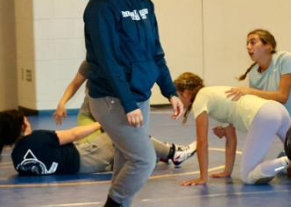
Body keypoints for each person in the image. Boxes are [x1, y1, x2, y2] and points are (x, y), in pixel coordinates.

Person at [84, 0, 184, 207]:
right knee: (143, 160)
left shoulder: (144, 3)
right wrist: (128, 102)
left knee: (126, 157)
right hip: (112, 98)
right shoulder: (101, 6)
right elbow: (107, 60)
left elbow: (155, 52)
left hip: (137, 95)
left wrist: (170, 91)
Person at [54, 60, 196, 167]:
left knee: (124, 146)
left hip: (114, 116)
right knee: (94, 151)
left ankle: (168, 152)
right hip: (91, 116)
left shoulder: (124, 64)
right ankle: (160, 153)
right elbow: (75, 84)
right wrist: (62, 102)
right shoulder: (91, 62)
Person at [172, 72, 291, 186]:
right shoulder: (215, 95)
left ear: (186, 93)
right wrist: (227, 172)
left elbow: (202, 141)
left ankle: (288, 161)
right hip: (278, 109)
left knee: (248, 176)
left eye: (177, 95)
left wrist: (203, 177)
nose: (178, 100)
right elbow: (231, 140)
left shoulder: (200, 99)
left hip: (265, 116)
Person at [0, 110, 188, 175]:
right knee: (125, 135)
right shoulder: (37, 138)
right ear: (23, 125)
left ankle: (156, 155)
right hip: (84, 157)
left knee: (121, 144)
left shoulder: (16, 159)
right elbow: (74, 134)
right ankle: (173, 152)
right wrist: (101, 123)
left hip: (78, 166)